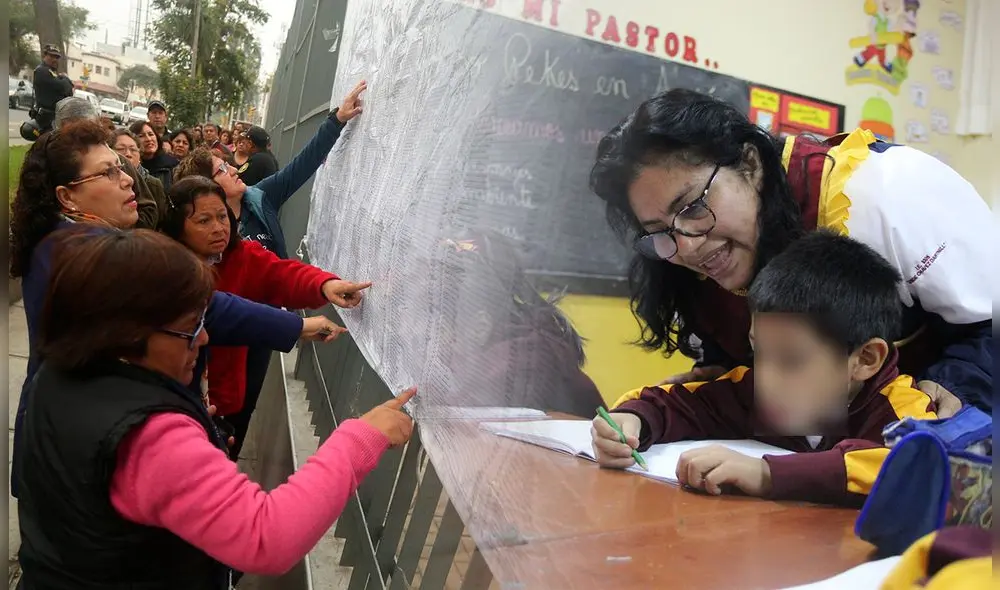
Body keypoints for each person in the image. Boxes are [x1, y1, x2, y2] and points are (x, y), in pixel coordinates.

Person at [14, 227, 416, 588]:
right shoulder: (147, 435)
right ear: (128, 333)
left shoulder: (61, 371)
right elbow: (266, 538)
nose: (204, 338)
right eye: (190, 328)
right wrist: (362, 437)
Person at [590, 89, 993, 415]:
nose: (688, 246)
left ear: (750, 164)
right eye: (659, 230)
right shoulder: (678, 254)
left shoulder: (884, 194)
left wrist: (962, 378)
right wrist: (726, 374)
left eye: (694, 206)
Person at [8, 119, 341, 498]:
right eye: (108, 172)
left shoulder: (63, 241)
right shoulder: (88, 253)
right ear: (67, 197)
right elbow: (199, 305)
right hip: (76, 457)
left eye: (121, 165)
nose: (128, 179)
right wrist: (296, 327)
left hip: (66, 439)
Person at [592, 231, 937, 506]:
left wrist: (767, 474)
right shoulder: (756, 389)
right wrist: (633, 419)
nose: (768, 379)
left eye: (791, 360)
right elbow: (683, 402)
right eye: (759, 352)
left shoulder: (904, 411)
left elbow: (918, 465)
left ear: (865, 359)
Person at [161, 176, 373, 455]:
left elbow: (282, 274)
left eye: (222, 216)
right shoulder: (164, 268)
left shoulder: (242, 255)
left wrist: (325, 285)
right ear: (178, 227)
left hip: (226, 400)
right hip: (174, 399)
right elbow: (222, 313)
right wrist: (298, 326)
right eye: (203, 221)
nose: (218, 228)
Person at [436, 230, 606, 416]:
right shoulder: (510, 339)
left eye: (437, 331)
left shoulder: (518, 361)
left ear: (480, 327)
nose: (410, 333)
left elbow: (456, 422)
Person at [54, 96, 162, 228]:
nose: (127, 180)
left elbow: (149, 209)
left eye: (89, 131)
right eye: (108, 172)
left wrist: (121, 231)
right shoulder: (49, 163)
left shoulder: (119, 160)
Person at [111, 128, 167, 226]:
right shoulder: (104, 181)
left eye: (133, 150)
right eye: (121, 149)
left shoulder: (154, 184)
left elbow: (161, 223)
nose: (128, 154)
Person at [31, 44, 73, 132]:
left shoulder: (52, 73)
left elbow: (69, 91)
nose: (55, 59)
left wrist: (63, 79)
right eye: (51, 56)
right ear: (44, 56)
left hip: (54, 118)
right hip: (46, 119)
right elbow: (64, 87)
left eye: (57, 57)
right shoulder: (42, 71)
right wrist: (65, 78)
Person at [131, 121, 179, 191]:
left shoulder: (173, 165)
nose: (149, 139)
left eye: (151, 134)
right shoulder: (131, 166)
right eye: (141, 136)